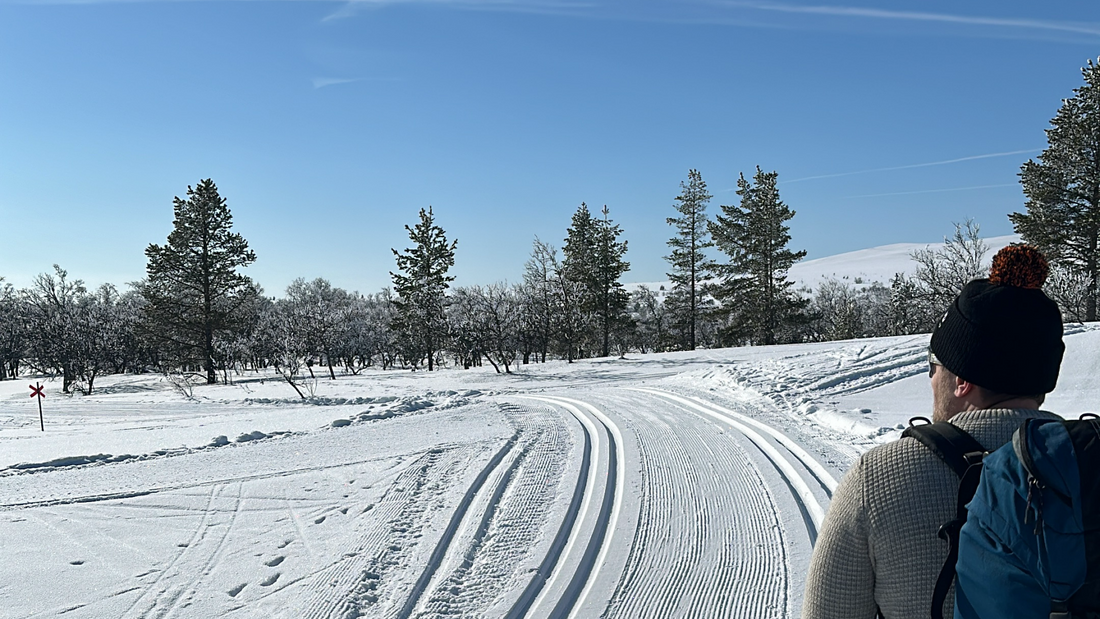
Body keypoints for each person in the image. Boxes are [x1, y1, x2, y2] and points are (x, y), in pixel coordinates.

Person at [801, 244, 1066, 619]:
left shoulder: (877, 478)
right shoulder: (1086, 464)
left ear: (962, 380)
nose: (930, 379)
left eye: (932, 364)